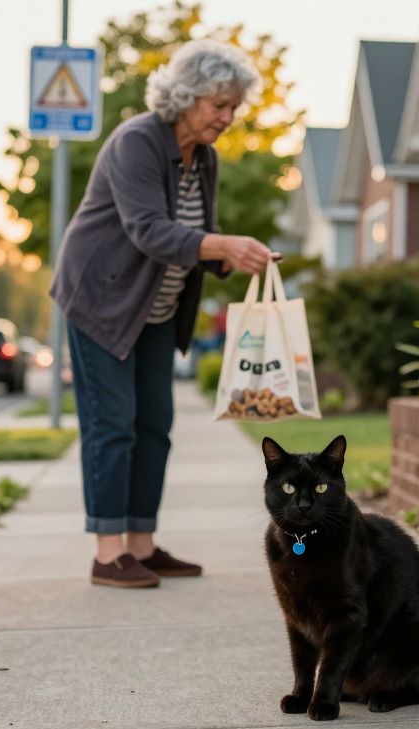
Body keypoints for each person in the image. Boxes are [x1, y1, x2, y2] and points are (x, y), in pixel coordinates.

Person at [50, 40, 272, 589]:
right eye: (218, 105)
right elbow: (148, 230)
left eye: (234, 106)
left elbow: (196, 231)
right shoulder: (136, 143)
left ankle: (141, 546)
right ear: (186, 96)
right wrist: (224, 246)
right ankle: (108, 554)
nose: (228, 117)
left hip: (157, 307)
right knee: (112, 426)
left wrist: (237, 260)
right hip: (103, 300)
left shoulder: (206, 157)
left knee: (155, 427)